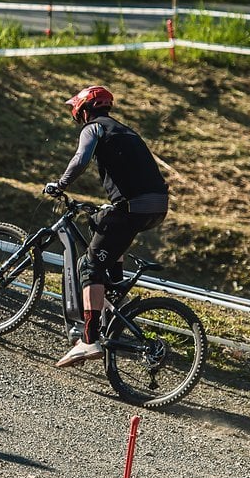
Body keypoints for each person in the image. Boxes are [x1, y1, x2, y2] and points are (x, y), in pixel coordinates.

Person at [44, 86, 170, 369]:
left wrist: (60, 184)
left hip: (134, 206)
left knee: (89, 267)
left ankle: (89, 339)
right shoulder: (127, 131)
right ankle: (112, 297)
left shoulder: (93, 128)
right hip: (157, 207)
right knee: (107, 228)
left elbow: (81, 159)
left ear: (83, 109)